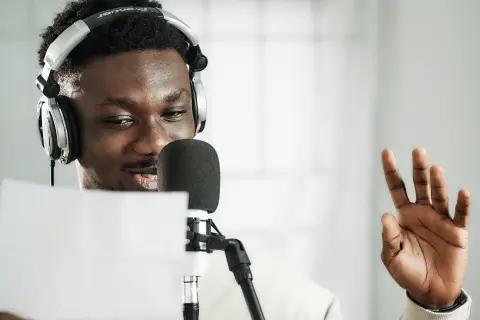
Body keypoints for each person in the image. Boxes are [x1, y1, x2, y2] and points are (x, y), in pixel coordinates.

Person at [1, 0, 472, 319]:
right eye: (120, 120)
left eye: (173, 113)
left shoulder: (283, 300)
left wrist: (434, 306)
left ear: (197, 115)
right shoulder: (16, 289)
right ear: (61, 133)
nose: (155, 142)